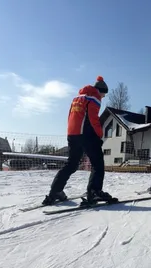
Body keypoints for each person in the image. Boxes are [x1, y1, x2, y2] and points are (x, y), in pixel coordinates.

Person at [42, 76, 117, 206]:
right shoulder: (94, 97)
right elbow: (93, 118)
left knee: (71, 164)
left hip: (72, 133)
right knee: (97, 163)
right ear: (101, 90)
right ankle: (94, 192)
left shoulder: (77, 98)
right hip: (86, 134)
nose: (103, 97)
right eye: (104, 94)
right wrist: (99, 135)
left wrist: (71, 133)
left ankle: (55, 192)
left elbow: (70, 116)